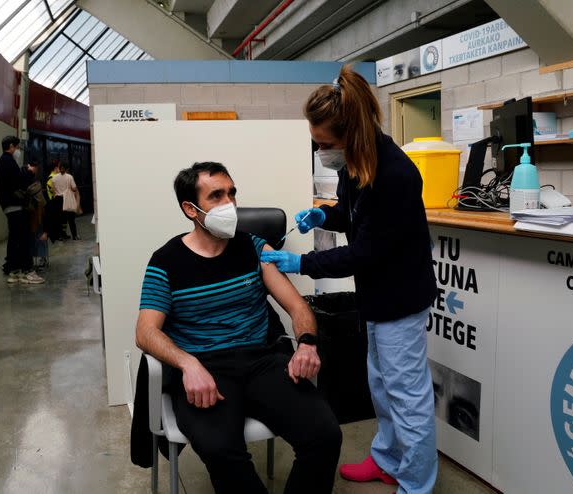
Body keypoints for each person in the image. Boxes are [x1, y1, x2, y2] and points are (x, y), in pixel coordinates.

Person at [260, 65, 439, 494]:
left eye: (324, 144)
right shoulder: (356, 163)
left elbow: (364, 252)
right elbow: (351, 214)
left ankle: (416, 484)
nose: (320, 150)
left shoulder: (394, 174)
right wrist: (325, 214)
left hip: (400, 297)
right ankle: (387, 461)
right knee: (381, 385)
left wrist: (298, 264)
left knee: (407, 395)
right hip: (376, 297)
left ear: (350, 135)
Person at [135, 162, 342, 494]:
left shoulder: (254, 247)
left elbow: (298, 306)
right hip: (206, 369)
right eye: (216, 196)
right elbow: (146, 332)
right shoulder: (166, 261)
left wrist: (306, 342)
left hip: (262, 361)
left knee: (325, 435)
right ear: (191, 209)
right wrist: (189, 364)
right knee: (222, 451)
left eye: (231, 193)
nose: (228, 204)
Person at [0, 136, 44, 285]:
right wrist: (29, 172)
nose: (17, 151)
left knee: (14, 239)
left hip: (9, 206)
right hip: (15, 205)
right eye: (16, 147)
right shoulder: (8, 161)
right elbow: (18, 181)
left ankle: (14, 271)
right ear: (11, 146)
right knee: (24, 239)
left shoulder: (2, 161)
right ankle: (27, 271)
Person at [51, 162, 82, 240]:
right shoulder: (69, 177)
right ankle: (74, 236)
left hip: (58, 199)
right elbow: (74, 188)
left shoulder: (54, 178)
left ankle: (61, 236)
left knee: (60, 219)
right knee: (71, 218)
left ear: (60, 168)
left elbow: (53, 189)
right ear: (67, 169)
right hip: (67, 199)